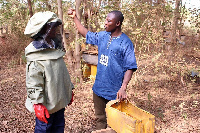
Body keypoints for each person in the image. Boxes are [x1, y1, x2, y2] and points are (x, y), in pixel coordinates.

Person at [68, 9, 137, 130]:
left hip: (115, 92)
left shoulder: (126, 43)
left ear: (117, 23)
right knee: (100, 119)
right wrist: (74, 17)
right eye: (106, 19)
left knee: (115, 124)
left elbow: (130, 67)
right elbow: (85, 33)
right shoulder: (103, 36)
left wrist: (123, 87)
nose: (105, 23)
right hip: (99, 89)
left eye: (108, 21)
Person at [24, 11, 74, 133]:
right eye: (53, 26)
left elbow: (62, 72)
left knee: (58, 128)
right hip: (46, 105)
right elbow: (34, 82)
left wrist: (69, 89)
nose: (55, 29)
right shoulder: (36, 55)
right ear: (43, 28)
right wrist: (38, 104)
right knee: (45, 129)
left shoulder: (53, 46)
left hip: (58, 101)